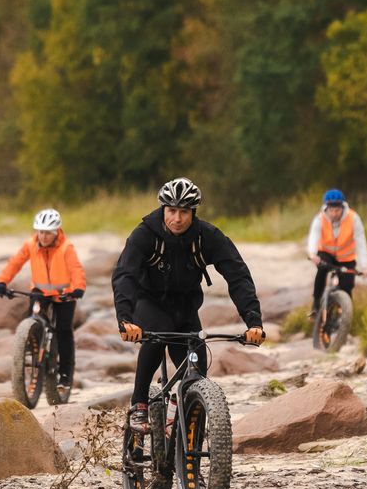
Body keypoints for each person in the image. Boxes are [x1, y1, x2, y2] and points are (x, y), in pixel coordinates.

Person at [112, 177, 265, 440]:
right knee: (158, 332)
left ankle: (182, 419)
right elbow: (125, 275)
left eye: (184, 212)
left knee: (197, 369)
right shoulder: (145, 235)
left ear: (193, 212)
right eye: (172, 211)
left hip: (185, 309)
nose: (177, 218)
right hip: (148, 303)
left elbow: (237, 275)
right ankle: (139, 403)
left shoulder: (208, 237)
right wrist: (125, 319)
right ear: (163, 209)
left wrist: (254, 322)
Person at [0, 208, 87, 389]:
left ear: (56, 232)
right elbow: (15, 263)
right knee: (32, 321)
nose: (43, 236)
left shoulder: (67, 247)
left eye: (48, 233)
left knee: (64, 331)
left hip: (64, 294)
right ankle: (31, 350)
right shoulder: (30, 244)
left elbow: (76, 269)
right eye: (41, 232)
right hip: (40, 292)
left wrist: (78, 288)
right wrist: (2, 282)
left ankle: (65, 375)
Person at [304, 188, 367, 321]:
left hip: (346, 258)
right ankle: (316, 305)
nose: (334, 213)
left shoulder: (353, 218)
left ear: (342, 207)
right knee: (321, 271)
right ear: (326, 208)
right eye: (331, 210)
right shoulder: (320, 218)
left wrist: (364, 266)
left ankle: (345, 319)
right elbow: (313, 237)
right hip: (326, 254)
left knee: (347, 286)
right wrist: (312, 254)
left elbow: (361, 241)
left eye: (337, 210)